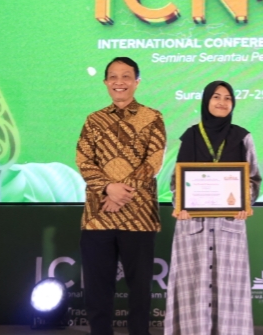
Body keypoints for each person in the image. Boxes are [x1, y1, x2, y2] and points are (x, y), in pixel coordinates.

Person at [76, 57, 166, 335]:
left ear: (136, 82)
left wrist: (120, 192)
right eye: (113, 77)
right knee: (97, 289)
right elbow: (83, 160)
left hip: (139, 217)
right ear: (106, 82)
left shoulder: (153, 117)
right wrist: (108, 188)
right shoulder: (94, 120)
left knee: (140, 290)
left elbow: (153, 162)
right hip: (98, 217)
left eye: (126, 76)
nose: (119, 82)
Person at [165, 80, 261, 335]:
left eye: (228, 98)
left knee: (229, 293)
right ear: (206, 101)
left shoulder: (243, 137)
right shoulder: (190, 136)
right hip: (192, 225)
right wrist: (179, 204)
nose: (222, 102)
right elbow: (176, 181)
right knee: (191, 292)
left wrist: (245, 201)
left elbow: (253, 178)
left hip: (229, 225)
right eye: (216, 97)